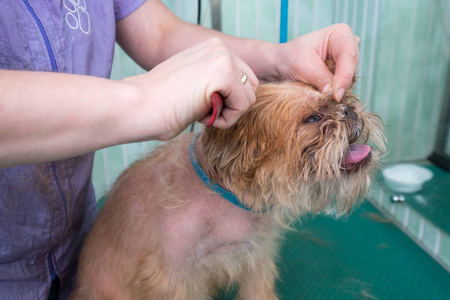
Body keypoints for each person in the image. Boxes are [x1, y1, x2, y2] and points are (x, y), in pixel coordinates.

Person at [0, 0, 359, 299]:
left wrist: (279, 57)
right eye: (313, 119)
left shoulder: (257, 194)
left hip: (71, 247)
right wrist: (146, 99)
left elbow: (159, 33)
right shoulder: (182, 211)